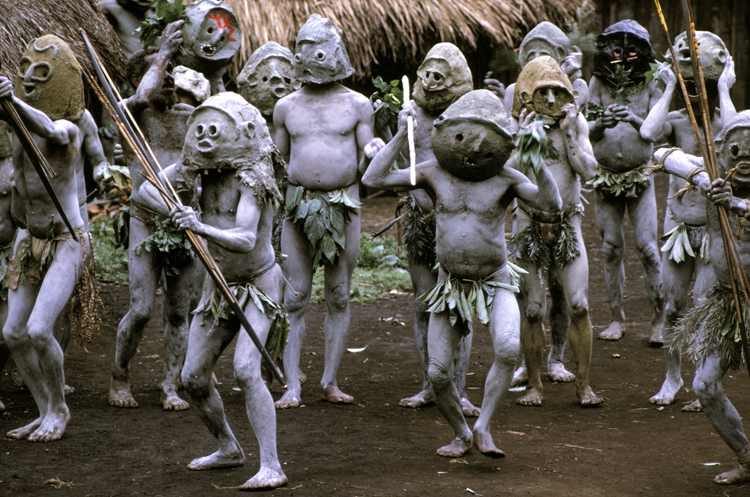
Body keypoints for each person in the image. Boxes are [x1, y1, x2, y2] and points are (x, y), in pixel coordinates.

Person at [364, 89, 561, 457]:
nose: (472, 149)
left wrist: (537, 159)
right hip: (450, 284)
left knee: (508, 349)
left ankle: (483, 426)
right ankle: (461, 433)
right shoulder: (432, 173)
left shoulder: (506, 178)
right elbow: (374, 179)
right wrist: (402, 131)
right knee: (438, 373)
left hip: (495, 280)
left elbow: (552, 203)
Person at [138, 92, 288, 489]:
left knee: (246, 369)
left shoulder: (252, 177)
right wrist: (173, 210)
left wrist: (199, 226)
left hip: (259, 284)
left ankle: (271, 465)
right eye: (200, 130)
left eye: (214, 130)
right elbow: (145, 191)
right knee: (193, 377)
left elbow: (244, 238)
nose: (204, 137)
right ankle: (228, 447)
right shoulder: (198, 171)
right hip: (218, 286)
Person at [273, 14, 377, 408]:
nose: (312, 56)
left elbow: (367, 159)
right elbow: (277, 161)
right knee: (294, 297)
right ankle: (292, 386)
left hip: (343, 204)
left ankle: (330, 381)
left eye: (319, 49)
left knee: (339, 295)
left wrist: (374, 151)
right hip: (297, 205)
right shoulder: (285, 107)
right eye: (305, 49)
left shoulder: (358, 104)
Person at [0, 35, 93, 442]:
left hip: (67, 240)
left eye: (41, 74)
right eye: (25, 72)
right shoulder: (16, 122)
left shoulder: (69, 129)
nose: (29, 81)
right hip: (30, 240)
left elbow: (51, 130)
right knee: (13, 333)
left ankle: (60, 408)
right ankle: (44, 410)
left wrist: (11, 101)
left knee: (39, 330)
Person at [109, 21, 204, 410]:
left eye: (171, 72)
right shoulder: (130, 117)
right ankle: (119, 375)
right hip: (145, 220)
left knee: (180, 312)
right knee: (141, 309)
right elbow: (140, 97)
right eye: (160, 71)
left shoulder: (191, 117)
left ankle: (170, 385)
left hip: (185, 223)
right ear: (138, 79)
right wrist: (163, 52)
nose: (168, 78)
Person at [641, 31, 736, 410]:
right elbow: (648, 132)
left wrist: (725, 87)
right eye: (690, 87)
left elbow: (735, 136)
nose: (697, 94)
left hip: (714, 228)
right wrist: (668, 87)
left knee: (703, 306)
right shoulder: (677, 122)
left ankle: (702, 380)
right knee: (672, 306)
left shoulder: (728, 124)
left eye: (703, 87)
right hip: (678, 226)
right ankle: (672, 376)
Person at [655, 112, 750, 484]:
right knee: (704, 386)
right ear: (725, 150)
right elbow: (663, 154)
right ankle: (746, 458)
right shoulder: (716, 175)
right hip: (727, 302)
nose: (744, 159)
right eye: (737, 150)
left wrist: (736, 204)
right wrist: (700, 178)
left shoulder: (735, 196)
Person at [390, 42, 479, 416]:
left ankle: (459, 389)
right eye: (425, 74)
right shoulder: (411, 114)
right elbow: (402, 165)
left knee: (459, 307)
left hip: (456, 221)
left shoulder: (469, 117)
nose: (429, 81)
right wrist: (400, 129)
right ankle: (429, 385)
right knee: (423, 304)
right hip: (418, 220)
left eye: (437, 76)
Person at [508, 56, 602, 407]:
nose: (550, 100)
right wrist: (523, 138)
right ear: (527, 95)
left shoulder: (576, 124)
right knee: (532, 309)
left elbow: (589, 172)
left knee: (578, 305)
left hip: (567, 224)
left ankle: (584, 385)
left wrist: (569, 134)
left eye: (556, 92)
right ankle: (535, 385)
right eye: (542, 92)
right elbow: (510, 175)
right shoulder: (518, 125)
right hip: (527, 223)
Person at [587, 19, 665, 343]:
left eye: (631, 50)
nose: (623, 56)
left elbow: (655, 131)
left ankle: (659, 320)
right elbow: (587, 132)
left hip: (640, 176)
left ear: (642, 52)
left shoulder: (651, 82)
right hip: (605, 177)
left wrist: (633, 118)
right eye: (617, 50)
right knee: (610, 248)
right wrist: (601, 124)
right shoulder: (597, 82)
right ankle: (616, 319)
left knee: (647, 248)